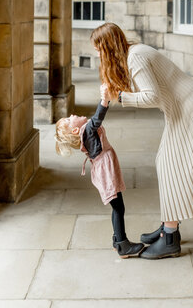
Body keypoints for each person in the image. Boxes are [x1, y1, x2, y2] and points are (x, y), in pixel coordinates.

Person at [91, 22, 193, 260]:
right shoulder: (132, 54)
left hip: (192, 106)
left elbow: (152, 96)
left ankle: (169, 237)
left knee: (169, 164)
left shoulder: (135, 57)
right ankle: (169, 228)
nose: (96, 54)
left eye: (98, 48)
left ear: (107, 47)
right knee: (165, 162)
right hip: (184, 106)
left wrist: (119, 96)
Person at [55, 82, 144, 258]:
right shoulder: (86, 130)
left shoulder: (84, 132)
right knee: (118, 207)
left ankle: (117, 239)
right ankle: (122, 244)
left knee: (117, 206)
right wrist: (104, 99)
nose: (71, 115)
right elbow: (97, 118)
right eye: (68, 119)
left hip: (104, 169)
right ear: (75, 129)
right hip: (106, 171)